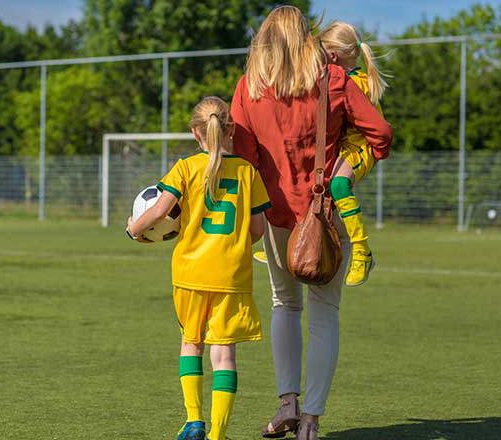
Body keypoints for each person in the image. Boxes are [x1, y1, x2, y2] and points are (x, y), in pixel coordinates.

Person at [230, 6, 393, 440]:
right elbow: (381, 135)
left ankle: (287, 404)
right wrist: (347, 168)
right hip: (326, 219)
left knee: (285, 306)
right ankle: (312, 420)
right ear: (306, 38)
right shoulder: (333, 80)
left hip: (276, 220)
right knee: (325, 315)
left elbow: (243, 160)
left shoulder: (248, 88)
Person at [126, 96, 271, 440]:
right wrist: (232, 247)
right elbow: (258, 230)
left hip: (190, 273)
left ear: (195, 132)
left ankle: (194, 422)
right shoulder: (248, 171)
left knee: (191, 343)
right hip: (232, 275)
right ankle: (217, 435)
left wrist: (133, 229)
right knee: (224, 355)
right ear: (231, 129)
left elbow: (161, 211)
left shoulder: (185, 167)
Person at [320, 21, 390, 286]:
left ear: (333, 56)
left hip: (360, 146)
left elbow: (375, 129)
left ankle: (362, 251)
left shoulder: (354, 83)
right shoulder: (336, 78)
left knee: (338, 185)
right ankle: (297, 242)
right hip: (343, 145)